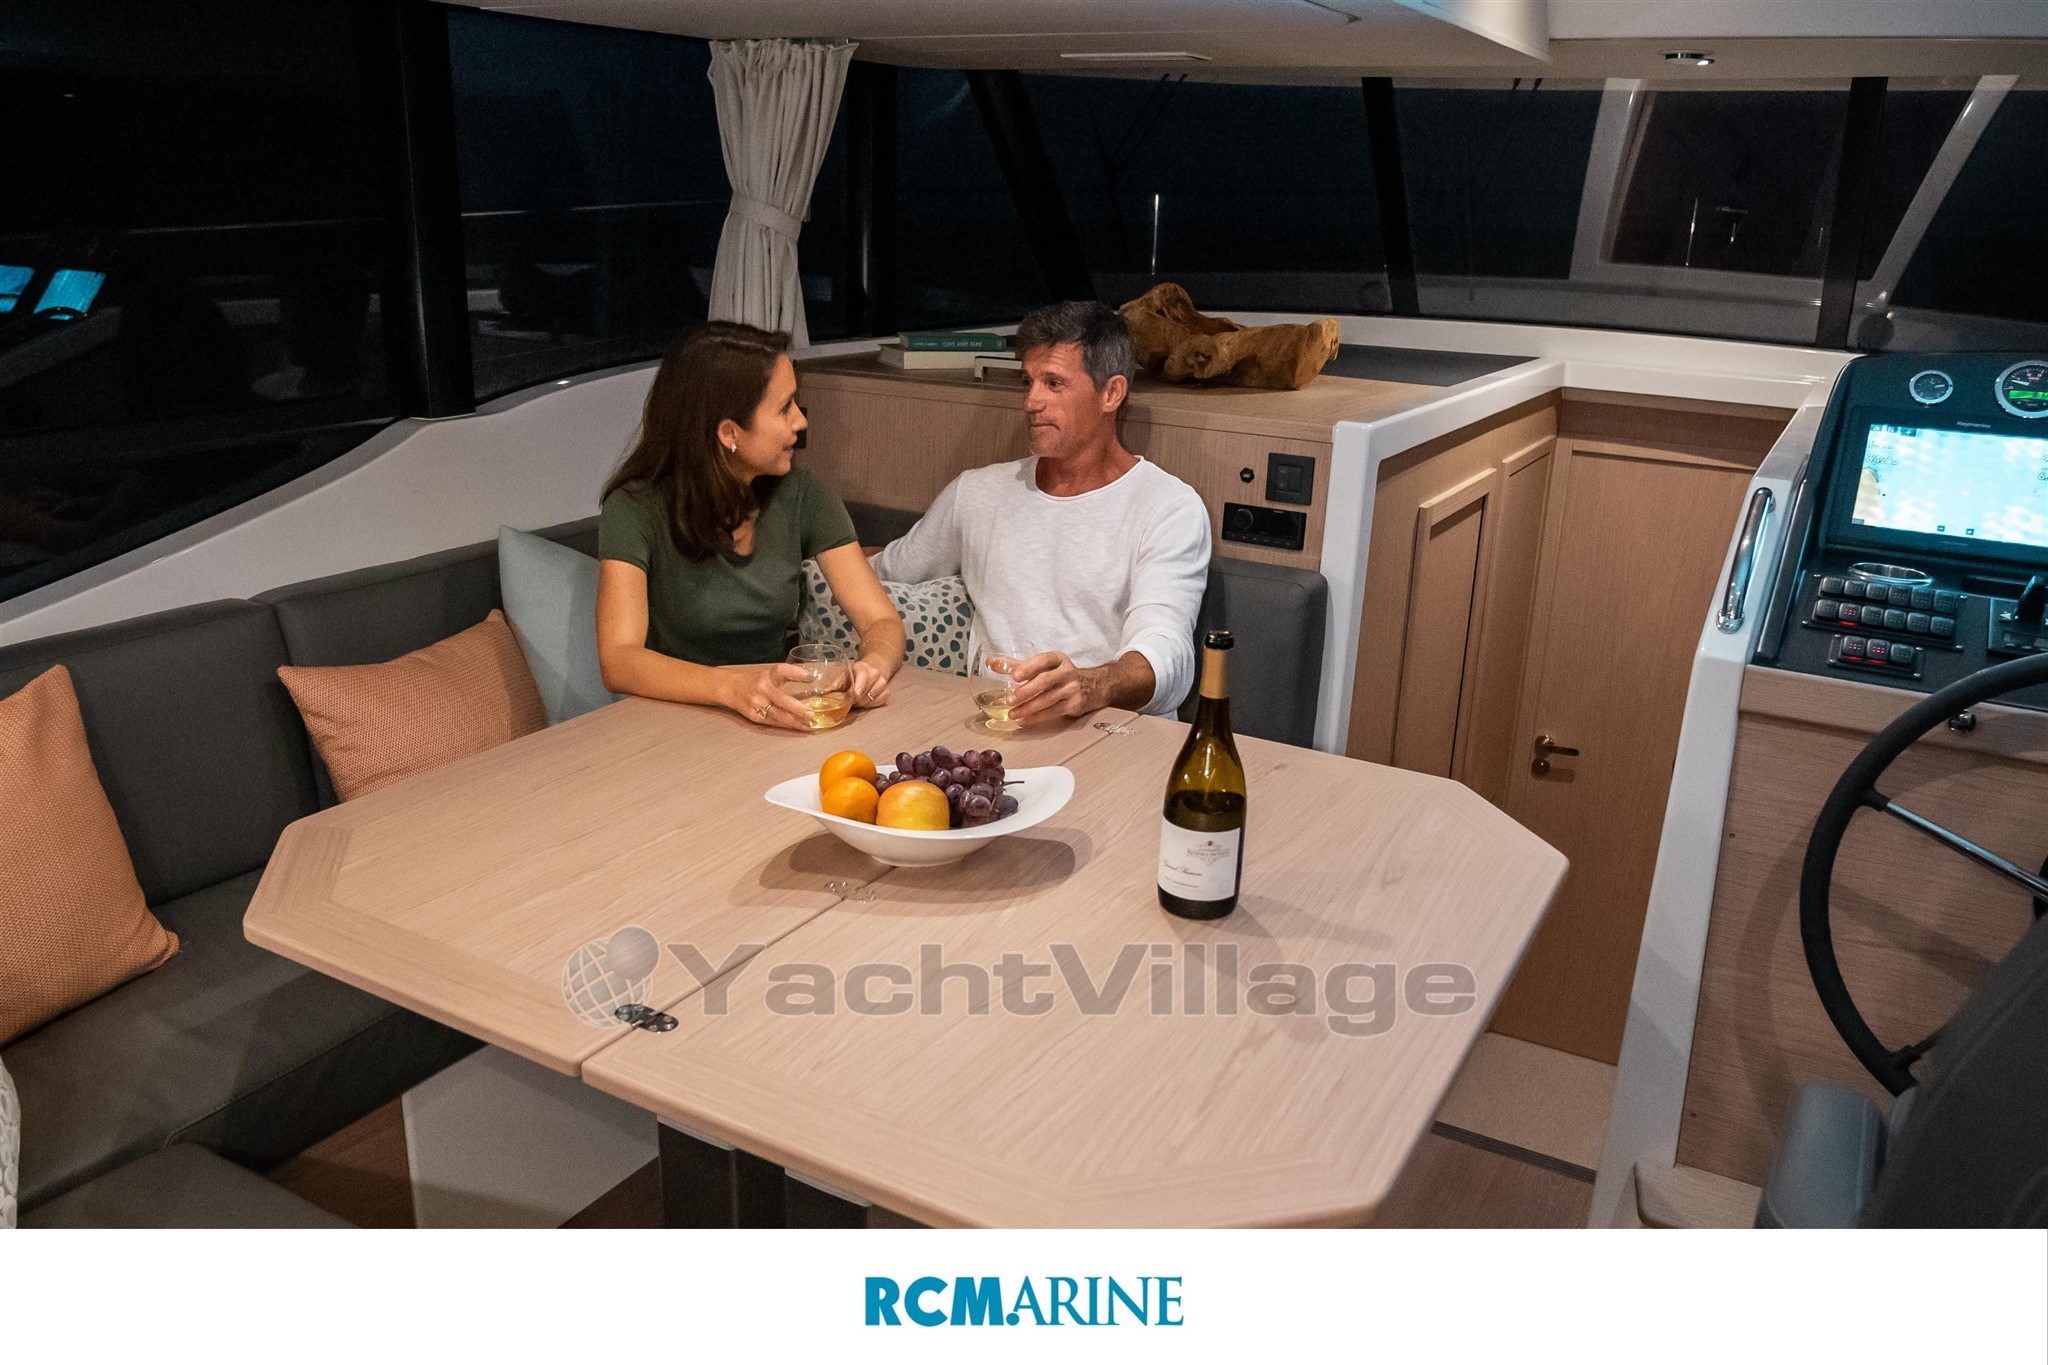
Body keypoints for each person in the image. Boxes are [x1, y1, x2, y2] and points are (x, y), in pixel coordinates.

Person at [870, 301, 1210, 722]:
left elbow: (1168, 655)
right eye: (1027, 382)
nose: (1031, 401)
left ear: (1111, 393)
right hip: (996, 726)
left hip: (1113, 732)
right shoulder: (976, 493)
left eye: (1053, 383)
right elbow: (884, 570)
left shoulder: (1169, 507)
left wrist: (1091, 686)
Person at [596, 321, 904, 728]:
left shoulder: (803, 495)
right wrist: (732, 688)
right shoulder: (634, 507)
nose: (801, 422)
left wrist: (873, 666)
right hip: (667, 720)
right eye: (784, 407)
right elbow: (618, 660)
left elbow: (881, 621)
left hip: (772, 718)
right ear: (729, 432)